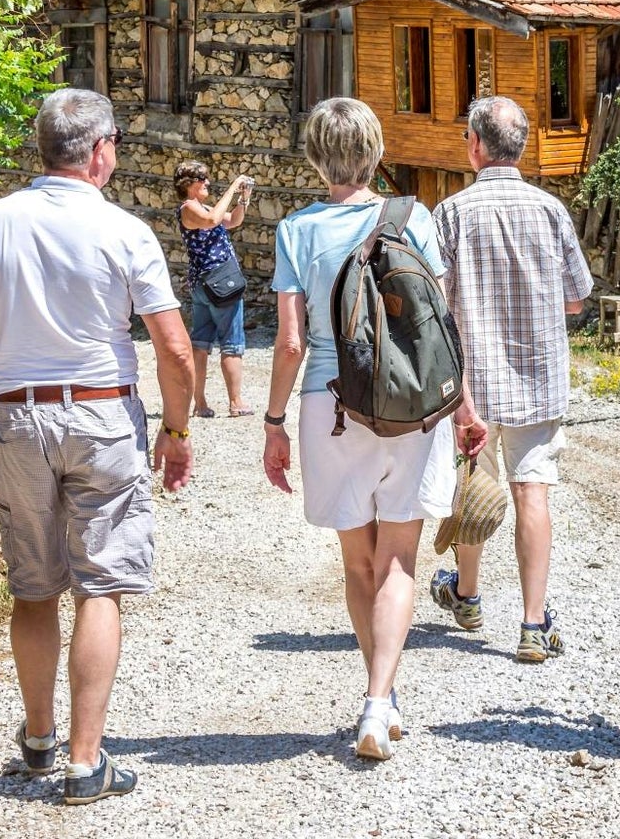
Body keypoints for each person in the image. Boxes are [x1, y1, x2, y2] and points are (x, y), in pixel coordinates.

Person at [0, 88, 196, 805]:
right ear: (99, 151)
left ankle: (39, 742)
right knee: (100, 583)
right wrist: (177, 429)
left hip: (20, 418)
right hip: (101, 415)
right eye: (117, 144)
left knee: (34, 586)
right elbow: (175, 347)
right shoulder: (126, 231)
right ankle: (84, 761)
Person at [259, 98, 487, 762]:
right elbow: (440, 323)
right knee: (399, 560)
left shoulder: (296, 229)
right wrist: (463, 405)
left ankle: (377, 693)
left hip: (331, 407)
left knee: (357, 561)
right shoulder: (412, 216)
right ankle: (379, 699)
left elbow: (291, 341)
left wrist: (273, 422)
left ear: (313, 157)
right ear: (377, 151)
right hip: (411, 404)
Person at [427, 96, 593, 661]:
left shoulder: (450, 213)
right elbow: (577, 299)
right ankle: (532, 623)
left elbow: (437, 300)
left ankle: (468, 596)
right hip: (537, 376)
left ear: (475, 145)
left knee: (473, 486)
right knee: (532, 491)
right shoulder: (550, 210)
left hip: (471, 384)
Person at [175, 160, 253, 418]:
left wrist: (244, 199)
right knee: (231, 343)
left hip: (203, 285)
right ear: (189, 184)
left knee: (200, 343)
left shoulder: (202, 208)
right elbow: (212, 220)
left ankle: (201, 404)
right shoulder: (190, 208)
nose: (208, 182)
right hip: (220, 285)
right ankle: (236, 402)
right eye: (203, 179)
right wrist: (232, 188)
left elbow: (232, 221)